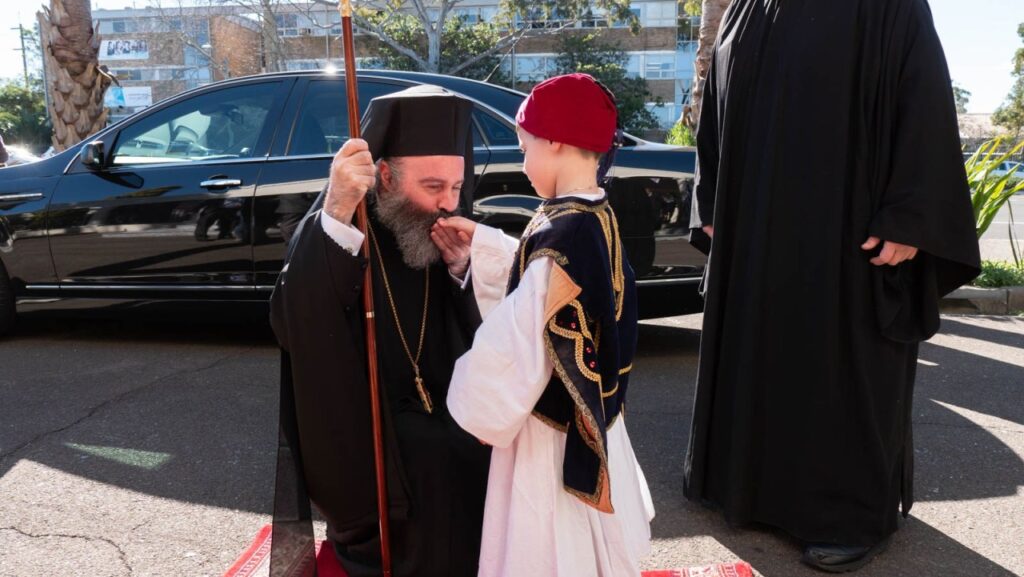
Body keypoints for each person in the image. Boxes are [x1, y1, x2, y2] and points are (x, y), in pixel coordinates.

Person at [684, 0, 981, 572]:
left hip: (845, 235)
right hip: (755, 230)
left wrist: (909, 217)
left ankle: (845, 516)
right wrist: (710, 197)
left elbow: (923, 101)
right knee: (760, 354)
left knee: (839, 366)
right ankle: (750, 493)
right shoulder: (749, 6)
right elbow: (717, 100)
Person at [268, 85, 490, 577]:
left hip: (450, 401)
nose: (448, 203)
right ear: (385, 176)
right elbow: (292, 319)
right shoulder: (343, 226)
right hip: (369, 421)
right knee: (431, 457)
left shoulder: (449, 227)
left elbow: (489, 330)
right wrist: (336, 209)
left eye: (457, 187)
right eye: (433, 186)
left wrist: (462, 272)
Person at [442, 73, 655, 577]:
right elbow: (555, 288)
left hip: (552, 437)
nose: (523, 163)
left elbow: (524, 330)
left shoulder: (566, 231)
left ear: (555, 140)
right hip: (592, 419)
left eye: (525, 148)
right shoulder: (593, 214)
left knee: (547, 545)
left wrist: (479, 403)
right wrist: (483, 246)